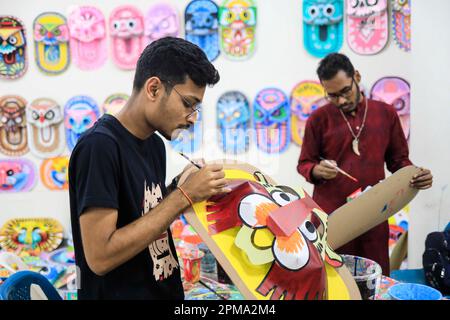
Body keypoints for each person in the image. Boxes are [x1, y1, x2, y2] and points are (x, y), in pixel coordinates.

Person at [69, 37, 231, 299]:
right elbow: (100, 258)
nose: (192, 118)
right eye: (188, 104)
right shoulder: (99, 147)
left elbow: (142, 214)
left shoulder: (155, 144)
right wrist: (183, 196)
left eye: (196, 108)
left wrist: (182, 188)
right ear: (154, 89)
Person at [297, 53, 433, 276]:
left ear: (356, 77)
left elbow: (399, 161)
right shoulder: (318, 119)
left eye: (345, 91)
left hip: (373, 212)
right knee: (330, 279)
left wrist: (415, 176)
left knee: (374, 278)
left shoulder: (385, 114)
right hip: (331, 216)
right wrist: (315, 170)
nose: (340, 101)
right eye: (332, 96)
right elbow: (304, 163)